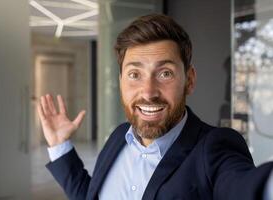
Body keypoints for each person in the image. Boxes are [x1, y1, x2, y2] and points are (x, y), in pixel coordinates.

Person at [37, 14, 273, 200]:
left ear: (189, 80)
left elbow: (243, 187)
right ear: (120, 81)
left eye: (165, 73)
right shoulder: (119, 137)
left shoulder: (213, 148)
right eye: (134, 74)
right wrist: (60, 146)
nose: (149, 92)